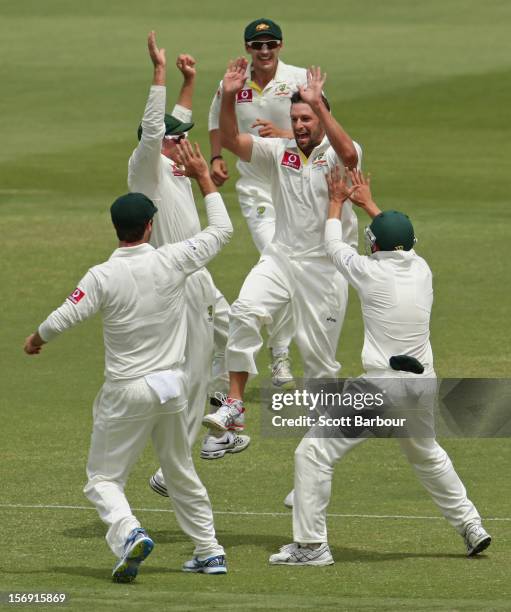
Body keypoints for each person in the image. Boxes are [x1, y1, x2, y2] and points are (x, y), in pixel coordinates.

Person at [23, 140, 233, 581]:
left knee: (102, 479)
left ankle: (130, 531)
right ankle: (210, 551)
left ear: (116, 227)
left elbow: (66, 314)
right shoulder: (173, 260)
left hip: (127, 392)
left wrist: (37, 338)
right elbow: (221, 231)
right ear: (151, 226)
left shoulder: (104, 274)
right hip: (172, 389)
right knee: (180, 469)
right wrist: (205, 181)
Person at [269, 167, 492, 566]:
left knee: (312, 454)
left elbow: (333, 243)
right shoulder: (422, 269)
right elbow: (395, 238)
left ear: (373, 246)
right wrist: (370, 204)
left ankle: (311, 547)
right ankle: (471, 525)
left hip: (378, 389)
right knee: (428, 456)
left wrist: (337, 200)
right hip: (421, 387)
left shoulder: (367, 271)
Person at [203, 62, 361, 436]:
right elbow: (230, 140)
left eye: (307, 118)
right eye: (296, 118)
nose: (300, 125)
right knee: (244, 311)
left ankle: (320, 449)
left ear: (322, 117)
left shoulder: (341, 152)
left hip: (325, 268)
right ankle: (235, 404)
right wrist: (227, 96)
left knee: (320, 366)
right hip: (282, 256)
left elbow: (351, 157)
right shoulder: (278, 151)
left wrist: (318, 104)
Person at [127, 32, 248, 492]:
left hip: (198, 277)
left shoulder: (174, 167)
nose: (186, 145)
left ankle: (224, 413)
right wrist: (158, 74)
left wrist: (188, 81)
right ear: (161, 143)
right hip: (173, 285)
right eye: (178, 140)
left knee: (239, 329)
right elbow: (158, 127)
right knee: (194, 371)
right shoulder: (145, 168)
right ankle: (172, 465)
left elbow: (176, 122)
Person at [208, 18, 309, 386]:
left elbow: (323, 128)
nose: (264, 51)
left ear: (280, 46)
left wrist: (283, 134)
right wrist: (217, 157)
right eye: (257, 45)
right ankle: (279, 354)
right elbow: (218, 122)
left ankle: (279, 351)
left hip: (295, 184)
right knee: (279, 259)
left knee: (288, 268)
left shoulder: (298, 79)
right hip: (256, 189)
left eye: (271, 44)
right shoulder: (232, 82)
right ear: (248, 48)